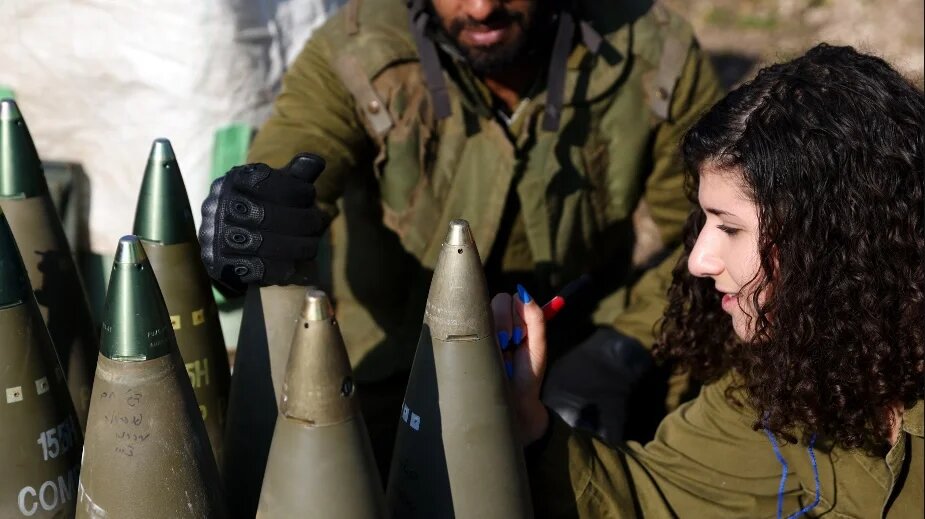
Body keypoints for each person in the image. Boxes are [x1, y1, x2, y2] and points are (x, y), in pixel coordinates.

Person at [198, 0, 724, 472]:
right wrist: (259, 216)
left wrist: (621, 349)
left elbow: (710, 236)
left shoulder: (658, 52)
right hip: (394, 367)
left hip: (578, 350)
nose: (480, 8)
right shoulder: (352, 51)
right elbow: (299, 151)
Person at [493, 43, 924, 517]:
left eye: (731, 227)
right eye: (705, 221)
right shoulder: (786, 370)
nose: (699, 260)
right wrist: (526, 420)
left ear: (836, 238)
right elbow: (659, 494)